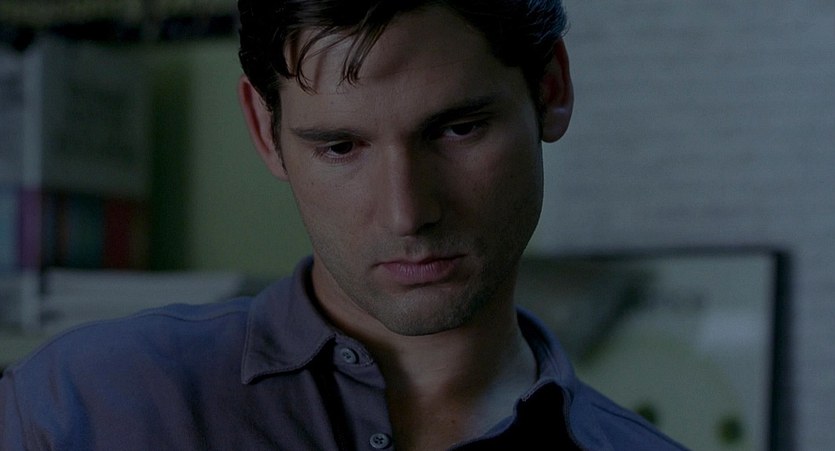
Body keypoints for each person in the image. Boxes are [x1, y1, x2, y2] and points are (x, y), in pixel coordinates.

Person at [1, 1, 686, 449]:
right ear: (264, 132)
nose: (407, 212)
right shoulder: (79, 407)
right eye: (339, 146)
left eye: (457, 129)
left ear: (550, 91)